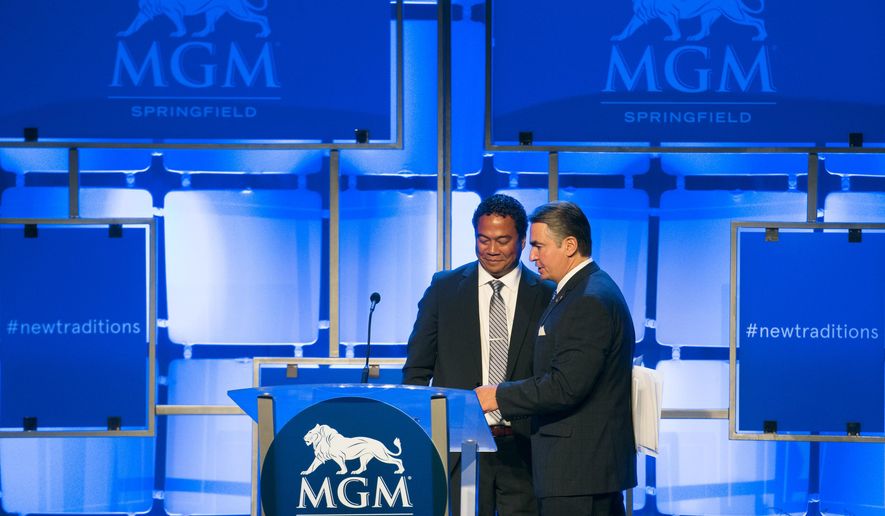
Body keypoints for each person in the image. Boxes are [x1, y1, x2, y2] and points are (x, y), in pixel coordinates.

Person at [475, 201, 637, 516]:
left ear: (569, 246)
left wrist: (497, 396)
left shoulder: (588, 300)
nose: (532, 255)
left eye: (538, 246)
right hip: (580, 472)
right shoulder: (579, 290)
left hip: (578, 473)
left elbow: (566, 386)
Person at [403, 193, 555, 516]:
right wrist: (425, 433)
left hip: (524, 449)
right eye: (483, 239)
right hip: (460, 448)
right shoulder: (444, 289)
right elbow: (416, 370)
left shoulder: (546, 294)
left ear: (523, 239)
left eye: (502, 240)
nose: (492, 249)